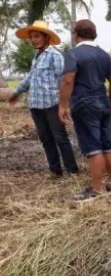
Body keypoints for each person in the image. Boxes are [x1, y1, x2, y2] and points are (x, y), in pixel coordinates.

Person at [8, 20, 79, 178]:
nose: (33, 40)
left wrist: (64, 104)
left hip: (52, 104)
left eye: (36, 36)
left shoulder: (55, 56)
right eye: (31, 37)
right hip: (36, 105)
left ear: (46, 37)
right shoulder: (37, 57)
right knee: (46, 139)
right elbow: (30, 78)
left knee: (60, 137)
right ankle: (55, 171)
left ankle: (72, 171)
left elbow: (63, 80)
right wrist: (16, 92)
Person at [59, 19, 111, 202]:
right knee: (107, 145)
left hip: (84, 105)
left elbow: (68, 80)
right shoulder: (104, 55)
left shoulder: (74, 54)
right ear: (94, 34)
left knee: (93, 147)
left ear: (76, 34)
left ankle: (97, 187)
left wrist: (62, 105)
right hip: (103, 103)